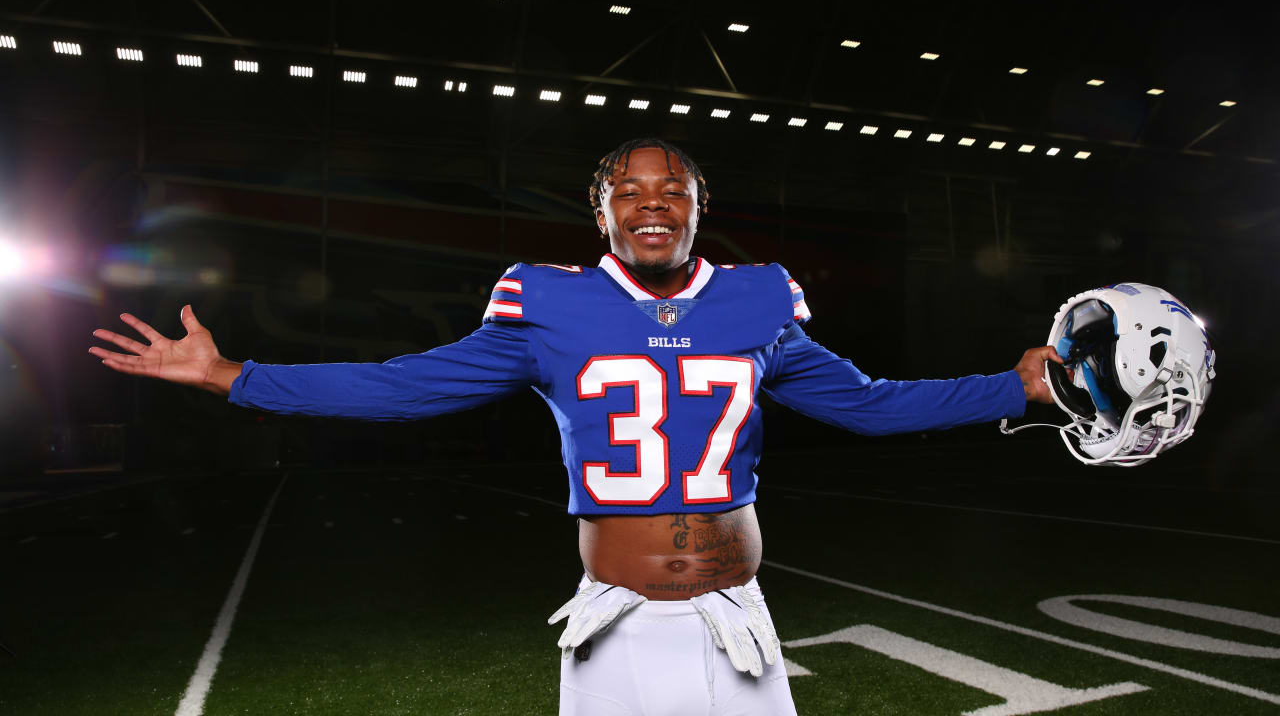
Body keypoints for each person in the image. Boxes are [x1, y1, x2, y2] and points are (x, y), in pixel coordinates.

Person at [91, 137, 1063, 715]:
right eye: (629, 193)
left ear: (697, 212)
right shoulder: (543, 303)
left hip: (740, 614)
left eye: (672, 192)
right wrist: (233, 376)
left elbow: (866, 403)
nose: (652, 205)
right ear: (600, 215)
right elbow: (402, 386)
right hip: (618, 620)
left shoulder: (760, 298)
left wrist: (1009, 391)